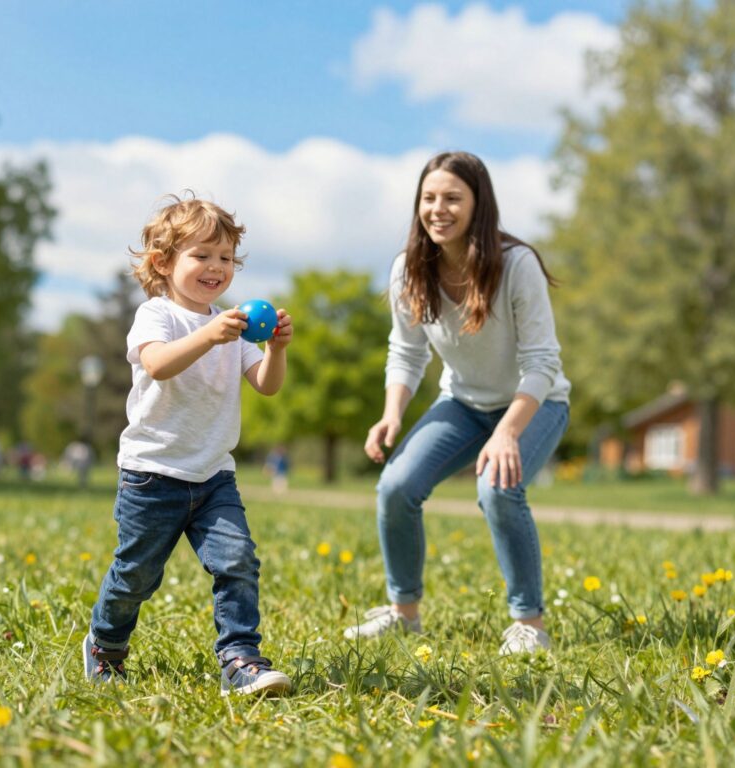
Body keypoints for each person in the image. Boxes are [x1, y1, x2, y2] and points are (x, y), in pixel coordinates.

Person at [343, 151, 571, 655]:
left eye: (452, 198)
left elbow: (542, 362)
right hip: (464, 403)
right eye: (428, 198)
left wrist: (508, 431)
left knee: (497, 488)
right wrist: (391, 414)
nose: (438, 208)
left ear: (477, 204)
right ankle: (403, 613)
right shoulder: (408, 269)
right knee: (396, 487)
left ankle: (528, 623)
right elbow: (405, 350)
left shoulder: (516, 264)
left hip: (534, 403)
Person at [85, 195, 295, 696]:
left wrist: (276, 350)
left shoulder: (232, 323)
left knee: (237, 559)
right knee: (136, 574)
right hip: (151, 475)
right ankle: (105, 645)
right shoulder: (155, 315)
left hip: (213, 476)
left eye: (225, 258)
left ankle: (241, 659)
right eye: (202, 255)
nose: (216, 267)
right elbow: (158, 364)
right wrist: (208, 336)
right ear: (163, 263)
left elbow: (266, 384)